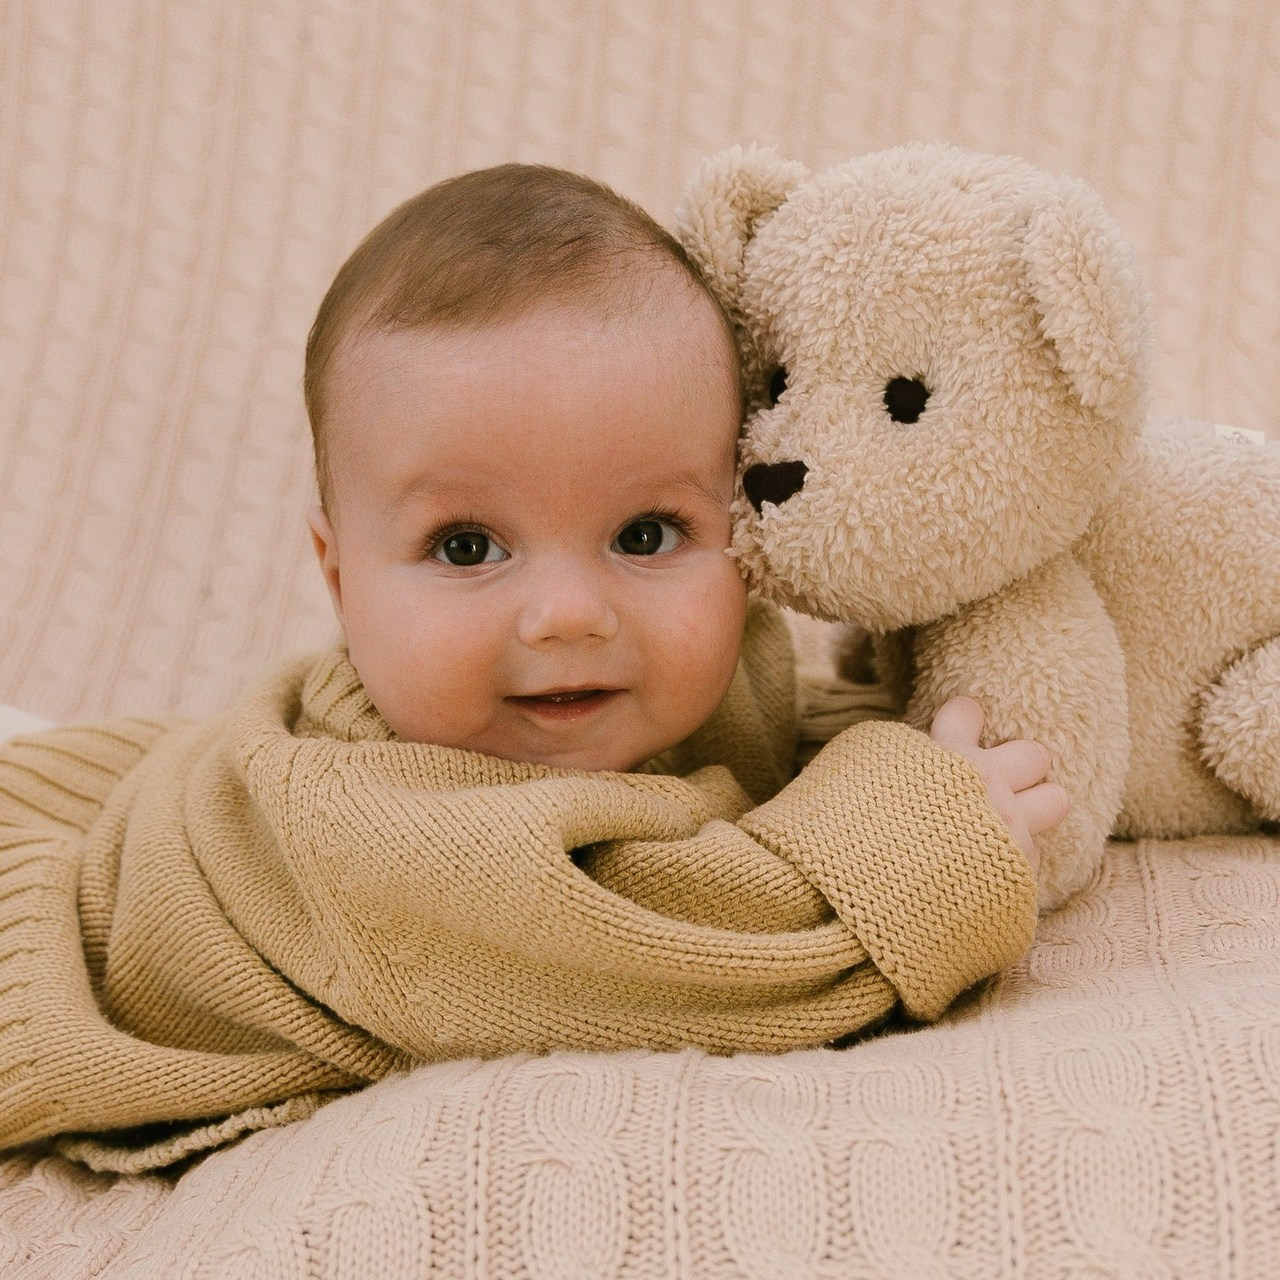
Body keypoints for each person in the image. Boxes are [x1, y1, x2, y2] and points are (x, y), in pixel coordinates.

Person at [0, 163, 1066, 1171]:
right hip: (54, 958)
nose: (565, 615)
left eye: (646, 533)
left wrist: (915, 706)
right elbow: (670, 959)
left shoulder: (698, 658)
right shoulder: (379, 848)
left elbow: (769, 743)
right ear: (338, 576)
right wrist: (925, 831)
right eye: (467, 547)